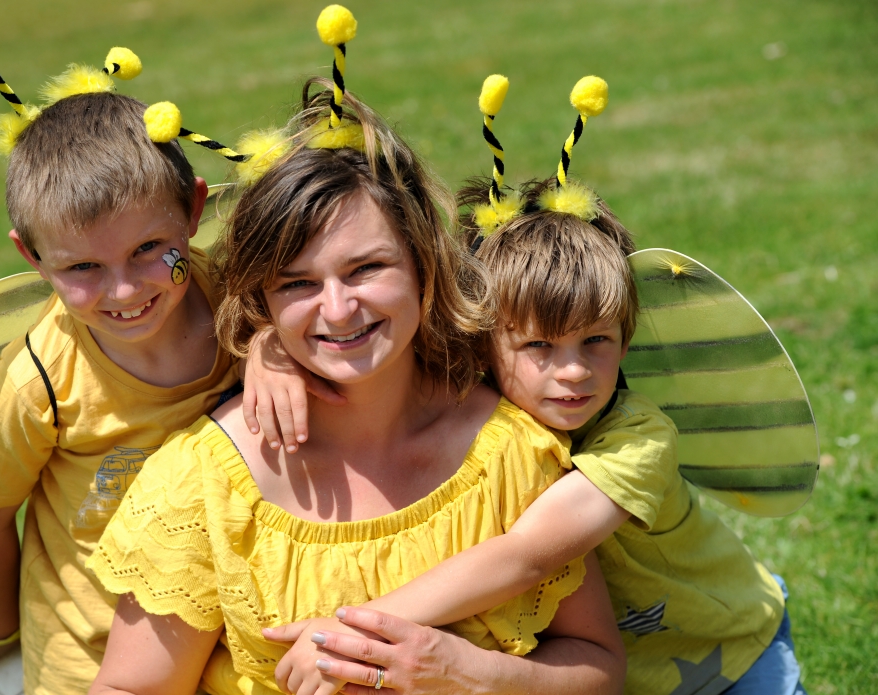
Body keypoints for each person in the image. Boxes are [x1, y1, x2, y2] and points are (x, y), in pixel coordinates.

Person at [86, 72, 626, 695]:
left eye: (366, 268)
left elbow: (600, 669)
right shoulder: (204, 484)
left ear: (424, 264)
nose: (338, 309)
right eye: (297, 283)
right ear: (262, 299)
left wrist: (462, 672)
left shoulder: (512, 453)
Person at [270, 174, 806, 694]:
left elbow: (529, 553)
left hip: (732, 652)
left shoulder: (638, 439)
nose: (573, 371)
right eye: (540, 347)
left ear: (626, 341)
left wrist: (356, 632)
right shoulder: (477, 402)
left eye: (595, 340)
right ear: (483, 343)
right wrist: (269, 354)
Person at [0, 28, 293, 694]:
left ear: (193, 209)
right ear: (31, 258)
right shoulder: (35, 384)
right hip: (89, 662)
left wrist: (272, 348)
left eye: (147, 248)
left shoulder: (242, 301)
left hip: (228, 646)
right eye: (83, 267)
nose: (126, 290)